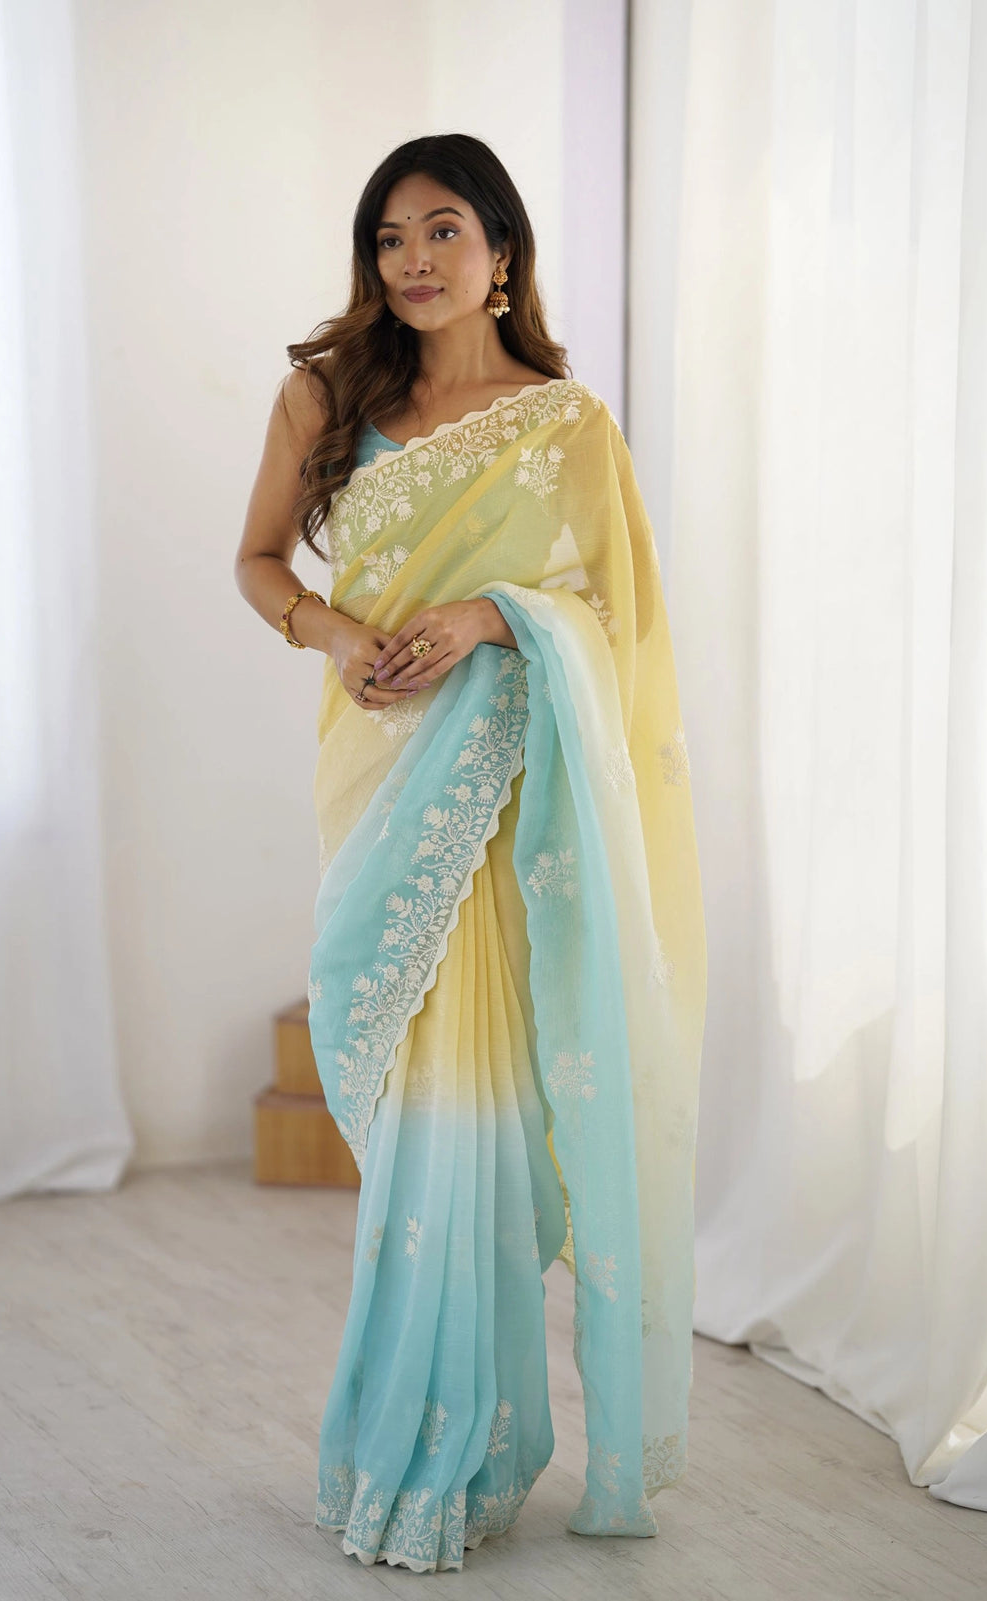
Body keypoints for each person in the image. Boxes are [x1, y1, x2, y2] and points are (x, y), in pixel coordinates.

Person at [234, 133, 706, 1575]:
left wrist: (499, 617)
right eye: (391, 239)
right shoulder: (327, 393)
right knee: (419, 1113)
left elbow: (616, 628)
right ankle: (430, 1429)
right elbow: (260, 562)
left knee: (480, 1108)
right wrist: (339, 630)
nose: (416, 261)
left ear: (504, 252)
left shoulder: (565, 425)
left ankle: (453, 1450)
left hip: (508, 805)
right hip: (381, 780)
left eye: (446, 231)